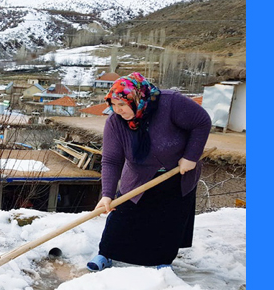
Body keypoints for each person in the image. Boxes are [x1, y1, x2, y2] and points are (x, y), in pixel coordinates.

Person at [87, 72, 212, 271]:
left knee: (168, 221)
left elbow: (202, 122)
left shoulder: (170, 103)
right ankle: (106, 254)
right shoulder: (115, 123)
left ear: (136, 98)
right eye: (113, 105)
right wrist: (107, 194)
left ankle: (162, 262)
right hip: (138, 177)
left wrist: (191, 156)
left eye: (122, 104)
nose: (117, 110)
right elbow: (111, 160)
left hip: (177, 174)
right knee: (122, 217)